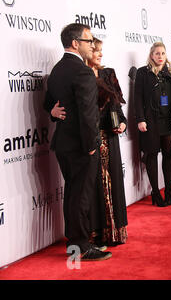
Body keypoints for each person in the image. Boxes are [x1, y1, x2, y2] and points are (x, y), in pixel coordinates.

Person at [51, 38, 129, 246]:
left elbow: (117, 106)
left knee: (108, 185)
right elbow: (62, 104)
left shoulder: (107, 73)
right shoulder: (77, 74)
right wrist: (52, 111)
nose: (99, 53)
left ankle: (111, 232)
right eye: (95, 50)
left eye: (100, 50)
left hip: (109, 137)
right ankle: (88, 237)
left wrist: (122, 122)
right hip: (89, 140)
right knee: (88, 190)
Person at [43, 23, 111, 261]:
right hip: (81, 146)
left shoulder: (58, 69)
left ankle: (77, 243)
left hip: (63, 144)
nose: (92, 46)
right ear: (75, 43)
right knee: (80, 196)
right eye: (88, 41)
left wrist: (52, 113)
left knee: (73, 194)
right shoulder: (81, 71)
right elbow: (87, 114)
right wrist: (91, 143)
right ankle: (81, 246)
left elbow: (48, 105)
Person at [134, 42, 171, 207]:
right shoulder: (143, 73)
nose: (160, 56)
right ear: (151, 55)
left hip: (169, 120)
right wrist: (140, 119)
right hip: (151, 121)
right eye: (157, 53)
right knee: (152, 154)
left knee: (168, 154)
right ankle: (155, 192)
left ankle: (168, 191)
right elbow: (138, 98)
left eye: (163, 53)